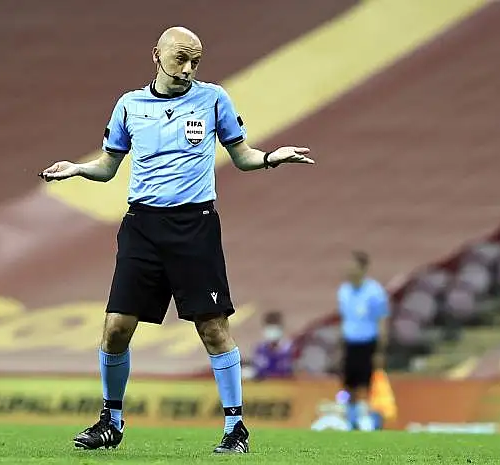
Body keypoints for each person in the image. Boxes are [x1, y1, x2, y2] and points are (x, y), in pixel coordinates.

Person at [39, 26, 314, 454]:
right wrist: (77, 168)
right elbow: (109, 166)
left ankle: (236, 429)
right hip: (142, 227)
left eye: (195, 62)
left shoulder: (214, 99)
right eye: (181, 59)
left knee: (213, 328)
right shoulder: (130, 105)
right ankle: (111, 421)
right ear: (157, 55)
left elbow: (242, 156)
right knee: (116, 328)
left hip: (194, 226)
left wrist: (270, 158)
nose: (188, 69)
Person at [336, 250, 389, 431]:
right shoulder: (344, 291)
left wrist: (380, 350)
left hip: (367, 344)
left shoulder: (375, 292)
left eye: (354, 266)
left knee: (365, 386)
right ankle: (350, 421)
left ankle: (365, 421)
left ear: (363, 268)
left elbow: (382, 321)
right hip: (349, 343)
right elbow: (344, 319)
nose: (349, 270)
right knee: (348, 385)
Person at [249, 311, 294, 380]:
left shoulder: (289, 350)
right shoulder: (259, 350)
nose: (273, 331)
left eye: (275, 328)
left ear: (281, 328)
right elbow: (256, 372)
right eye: (270, 328)